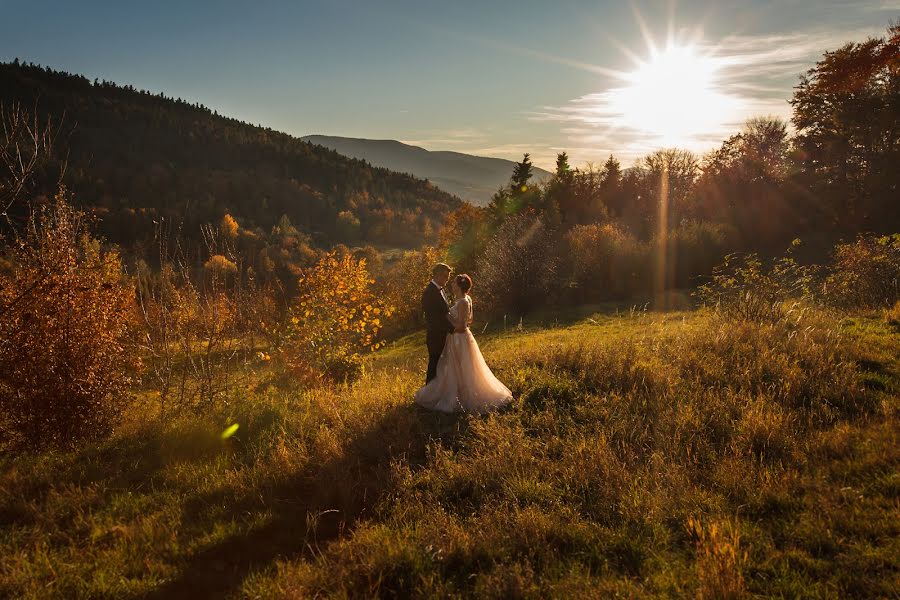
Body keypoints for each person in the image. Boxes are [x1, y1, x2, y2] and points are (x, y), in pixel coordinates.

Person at [415, 273, 512, 413]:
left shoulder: (463, 302)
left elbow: (461, 327)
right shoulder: (465, 299)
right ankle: (460, 392)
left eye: (454, 283)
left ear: (459, 286)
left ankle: (465, 396)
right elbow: (469, 320)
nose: (452, 285)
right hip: (458, 338)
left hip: (459, 339)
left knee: (462, 368)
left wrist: (448, 317)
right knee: (458, 368)